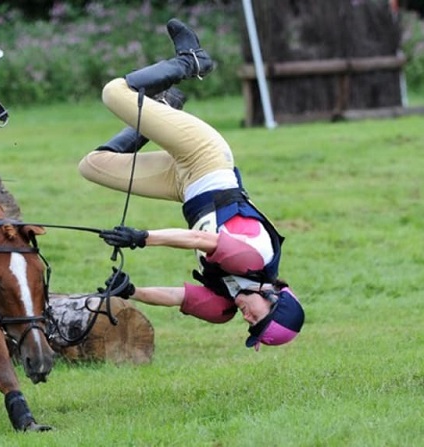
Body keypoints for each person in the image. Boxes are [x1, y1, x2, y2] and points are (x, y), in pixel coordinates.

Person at [80, 18, 304, 350]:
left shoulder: (225, 305)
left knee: (93, 166)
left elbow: (177, 297)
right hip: (205, 158)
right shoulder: (254, 260)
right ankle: (193, 61)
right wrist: (143, 238)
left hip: (182, 185)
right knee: (115, 93)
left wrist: (131, 291)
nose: (246, 319)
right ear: (272, 297)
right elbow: (201, 238)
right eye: (256, 319)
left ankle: (165, 108)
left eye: (250, 327)